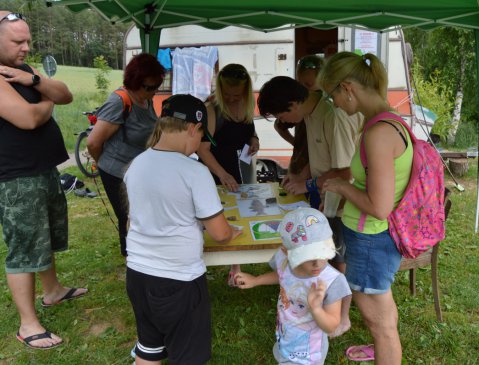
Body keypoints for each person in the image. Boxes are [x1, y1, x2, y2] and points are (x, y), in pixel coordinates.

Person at [124, 94, 242, 365]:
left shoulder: (137, 163)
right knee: (188, 356)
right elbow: (221, 234)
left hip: (138, 275)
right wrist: (231, 232)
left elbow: (136, 219)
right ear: (193, 128)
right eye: (201, 137)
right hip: (178, 280)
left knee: (148, 348)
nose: (198, 146)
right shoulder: (194, 172)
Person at [319, 52, 413, 364]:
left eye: (332, 95)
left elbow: (380, 206)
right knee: (383, 319)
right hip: (374, 238)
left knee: (380, 324)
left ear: (347, 87)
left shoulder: (378, 132)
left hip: (372, 238)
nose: (334, 103)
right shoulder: (384, 122)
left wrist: (342, 187)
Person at [0, 11, 87, 349]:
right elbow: (29, 118)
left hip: (42, 169)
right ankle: (27, 324)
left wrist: (35, 81)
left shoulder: (23, 70)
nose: (25, 48)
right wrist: (46, 95)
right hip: (15, 177)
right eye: (17, 42)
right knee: (24, 246)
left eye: (28, 41)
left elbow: (66, 93)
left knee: (46, 235)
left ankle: (52, 291)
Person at [258, 76, 361, 336]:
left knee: (338, 258)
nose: (284, 122)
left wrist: (309, 185)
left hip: (341, 203)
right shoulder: (311, 115)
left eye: (282, 115)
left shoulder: (333, 117)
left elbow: (346, 169)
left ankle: (341, 317)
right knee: (324, 255)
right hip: (325, 198)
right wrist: (301, 176)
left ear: (293, 104)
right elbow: (319, 157)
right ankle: (322, 304)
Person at [235, 208, 351, 365]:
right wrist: (256, 280)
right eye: (307, 256)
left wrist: (316, 308)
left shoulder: (331, 281)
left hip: (309, 353)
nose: (317, 263)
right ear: (286, 251)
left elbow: (331, 326)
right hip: (286, 335)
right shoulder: (284, 260)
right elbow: (283, 275)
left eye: (322, 252)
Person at [87, 53, 165, 257]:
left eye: (156, 87)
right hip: (116, 172)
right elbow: (93, 143)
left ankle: (145, 254)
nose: (153, 92)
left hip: (136, 170)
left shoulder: (145, 100)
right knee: (128, 217)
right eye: (149, 87)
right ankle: (133, 258)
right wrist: (106, 165)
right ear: (135, 81)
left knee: (143, 214)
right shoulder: (120, 101)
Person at [197, 63, 259, 286]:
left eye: (237, 94)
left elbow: (250, 132)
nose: (233, 99)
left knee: (239, 213)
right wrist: (222, 174)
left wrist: (254, 141)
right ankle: (200, 261)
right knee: (213, 214)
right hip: (216, 169)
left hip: (239, 167)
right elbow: (202, 149)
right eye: (228, 94)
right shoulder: (212, 109)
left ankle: (235, 266)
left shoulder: (246, 104)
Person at [274, 55, 324, 178]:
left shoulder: (328, 108)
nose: (306, 93)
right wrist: (295, 143)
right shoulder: (297, 105)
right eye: (302, 86)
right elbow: (279, 125)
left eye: (310, 85)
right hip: (301, 163)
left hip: (318, 171)